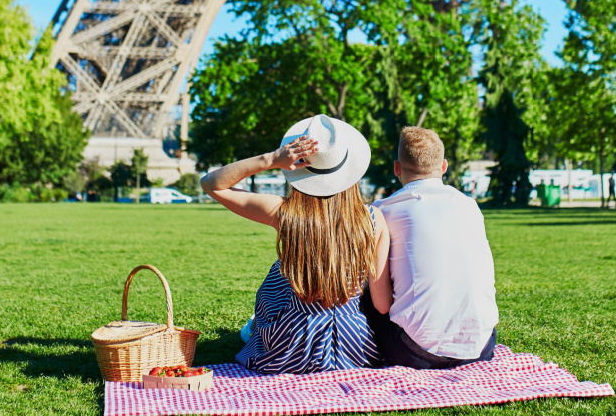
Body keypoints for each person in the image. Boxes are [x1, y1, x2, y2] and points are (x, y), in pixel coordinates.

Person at [200, 114, 392, 374]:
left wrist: (270, 159)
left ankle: (257, 327)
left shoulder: (284, 212)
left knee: (279, 272)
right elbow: (382, 304)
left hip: (290, 346)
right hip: (354, 346)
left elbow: (212, 184)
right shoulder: (373, 219)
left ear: (299, 166)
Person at [361, 127, 498, 369]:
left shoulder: (383, 211)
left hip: (415, 352)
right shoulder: (469, 206)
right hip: (481, 346)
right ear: (443, 166)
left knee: (363, 291)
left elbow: (381, 305)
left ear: (397, 168)